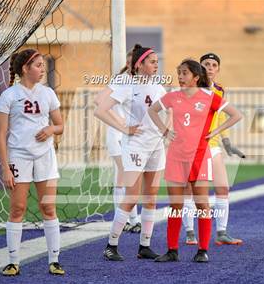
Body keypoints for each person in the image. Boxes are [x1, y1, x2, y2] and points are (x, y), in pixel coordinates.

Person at [148, 59, 242, 262]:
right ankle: (172, 250)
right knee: (175, 206)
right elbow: (152, 110)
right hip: (176, 156)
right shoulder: (172, 96)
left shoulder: (210, 96)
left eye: (184, 73)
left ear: (196, 77)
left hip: (200, 156)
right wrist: (165, 131)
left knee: (202, 205)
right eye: (178, 72)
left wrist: (215, 131)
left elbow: (236, 115)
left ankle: (202, 250)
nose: (180, 77)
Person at [0, 49, 65, 276]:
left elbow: (60, 125)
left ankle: (54, 260)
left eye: (43, 64)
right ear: (25, 69)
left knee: (48, 207)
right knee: (18, 209)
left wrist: (50, 129)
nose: (42, 68)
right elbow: (1, 134)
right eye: (37, 65)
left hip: (44, 157)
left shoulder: (48, 94)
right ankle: (13, 262)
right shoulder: (9, 96)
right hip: (18, 157)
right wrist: (5, 167)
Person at [94, 44, 167, 261]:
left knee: (151, 198)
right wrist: (124, 128)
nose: (156, 65)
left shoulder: (158, 86)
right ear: (139, 64)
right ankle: (111, 245)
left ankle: (144, 245)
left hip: (156, 146)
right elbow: (100, 109)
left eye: (156, 61)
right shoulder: (127, 85)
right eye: (152, 61)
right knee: (132, 195)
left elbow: (169, 110)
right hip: (135, 146)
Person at [182, 53, 244, 246]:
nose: (210, 67)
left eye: (214, 64)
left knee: (223, 187)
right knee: (190, 191)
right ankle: (190, 232)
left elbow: (221, 116)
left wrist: (225, 140)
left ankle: (222, 233)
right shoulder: (188, 89)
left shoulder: (218, 90)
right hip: (192, 147)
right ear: (199, 68)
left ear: (218, 69)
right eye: (206, 64)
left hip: (213, 145)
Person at [107, 50, 141, 233]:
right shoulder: (119, 81)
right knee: (125, 176)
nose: (131, 65)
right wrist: (120, 123)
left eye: (134, 62)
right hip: (117, 134)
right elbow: (103, 105)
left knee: (128, 177)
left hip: (132, 136)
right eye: (129, 62)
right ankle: (130, 219)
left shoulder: (141, 84)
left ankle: (131, 219)